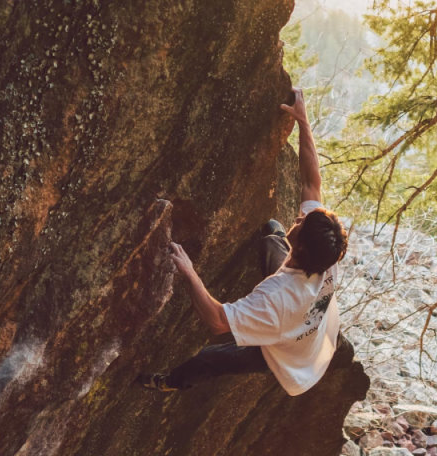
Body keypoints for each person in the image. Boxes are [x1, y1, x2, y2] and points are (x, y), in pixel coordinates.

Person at [138, 87, 348, 397]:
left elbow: (218, 321)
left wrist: (188, 270)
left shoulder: (277, 298)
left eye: (301, 225)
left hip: (288, 356)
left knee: (210, 358)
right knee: (273, 231)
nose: (300, 218)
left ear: (301, 248)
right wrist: (303, 122)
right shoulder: (324, 254)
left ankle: (168, 382)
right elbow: (310, 183)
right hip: (309, 323)